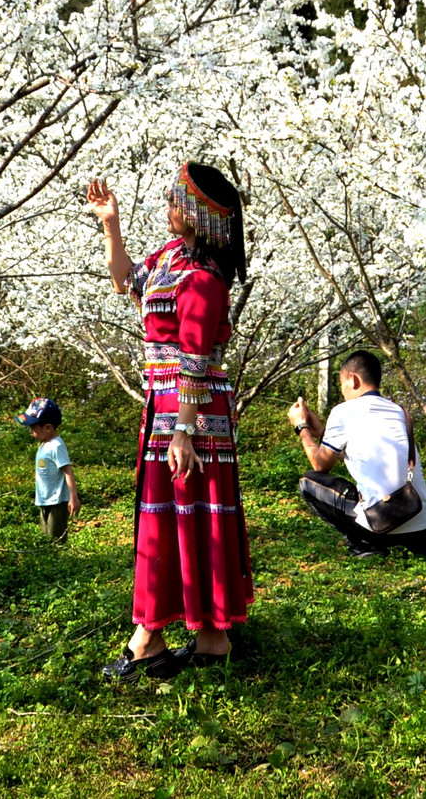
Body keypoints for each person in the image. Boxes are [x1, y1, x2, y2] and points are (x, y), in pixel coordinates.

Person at [86, 164, 255, 680]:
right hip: (163, 403)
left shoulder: (204, 278)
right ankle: (203, 636)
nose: (168, 203)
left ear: (200, 214)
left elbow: (197, 356)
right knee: (173, 514)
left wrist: (182, 429)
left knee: (188, 514)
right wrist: (110, 226)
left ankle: (161, 637)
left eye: (177, 198)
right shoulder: (167, 259)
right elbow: (123, 282)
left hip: (191, 410)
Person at [288, 350, 426, 559]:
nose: (343, 392)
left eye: (341, 384)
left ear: (353, 380)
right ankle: (417, 545)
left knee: (308, 481)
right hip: (417, 516)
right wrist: (321, 433)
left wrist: (302, 427)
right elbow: (363, 450)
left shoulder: (344, 411)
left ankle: (365, 543)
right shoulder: (399, 411)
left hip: (380, 520)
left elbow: (320, 464)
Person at [17, 397, 81, 540]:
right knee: (45, 537)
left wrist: (73, 498)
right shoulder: (44, 444)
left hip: (57, 501)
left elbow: (68, 471)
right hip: (44, 499)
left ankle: (61, 561)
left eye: (33, 428)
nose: (31, 432)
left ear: (48, 427)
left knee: (55, 539)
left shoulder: (56, 446)